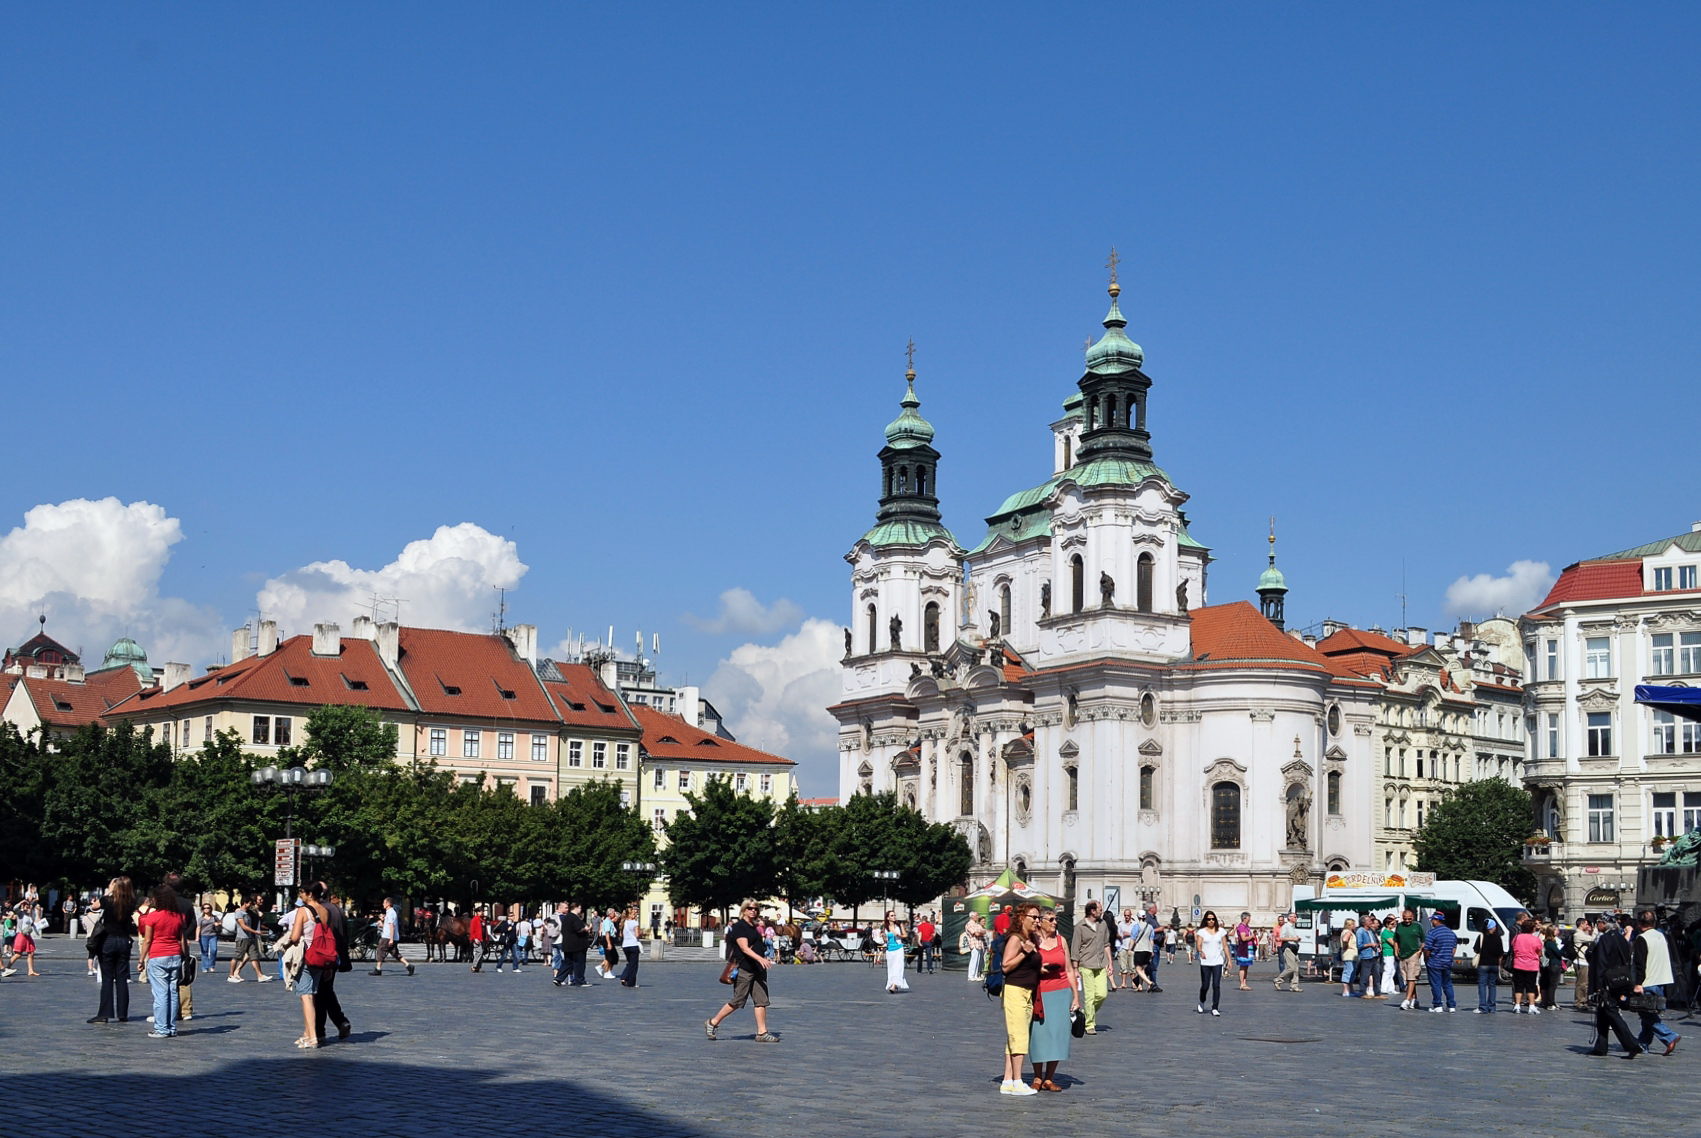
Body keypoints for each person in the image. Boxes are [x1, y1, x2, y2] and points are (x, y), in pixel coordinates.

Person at [705, 901, 777, 1043]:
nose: (753, 911)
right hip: (745, 968)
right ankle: (713, 1022)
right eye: (750, 908)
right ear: (744, 910)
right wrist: (760, 959)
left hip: (758, 969)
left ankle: (762, 1033)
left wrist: (763, 958)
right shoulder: (739, 927)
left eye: (755, 909)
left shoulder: (754, 927)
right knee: (738, 1001)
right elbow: (744, 948)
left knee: (761, 1001)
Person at [1028, 907, 1081, 1091]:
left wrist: (1075, 995)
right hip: (1040, 992)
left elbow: (1068, 970)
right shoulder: (1032, 941)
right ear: (1040, 921)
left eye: (1055, 919)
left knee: (1057, 1035)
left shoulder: (1061, 940)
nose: (1054, 922)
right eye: (1050, 919)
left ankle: (1049, 1078)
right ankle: (1037, 1076)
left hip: (1061, 992)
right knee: (1039, 1035)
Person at [997, 904, 1042, 1096]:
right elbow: (1005, 966)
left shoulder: (1029, 938)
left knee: (1014, 1037)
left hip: (1026, 991)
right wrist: (1024, 953)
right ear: (1022, 917)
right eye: (1034, 917)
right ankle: (1017, 1081)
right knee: (1020, 1036)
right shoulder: (1016, 939)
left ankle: (1007, 1080)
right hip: (1015, 990)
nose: (1037, 921)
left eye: (1039, 917)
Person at [1586, 914, 1643, 1059]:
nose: (1597, 925)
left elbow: (1601, 963)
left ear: (1605, 924)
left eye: (1599, 922)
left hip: (1607, 982)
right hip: (1620, 980)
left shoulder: (1605, 939)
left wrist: (1598, 986)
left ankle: (1632, 1044)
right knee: (1602, 1013)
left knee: (1611, 1012)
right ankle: (1601, 1046)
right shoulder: (1620, 938)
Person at [137, 882, 188, 1038]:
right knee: (172, 993)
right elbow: (182, 939)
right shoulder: (179, 916)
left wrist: (141, 960)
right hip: (175, 955)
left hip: (158, 955)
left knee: (160, 994)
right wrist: (184, 956)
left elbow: (147, 940)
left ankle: (161, 1028)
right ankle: (171, 1027)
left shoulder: (152, 917)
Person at [281, 885, 328, 1048]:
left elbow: (295, 936)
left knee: (305, 996)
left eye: (302, 892)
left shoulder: (303, 911)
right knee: (311, 995)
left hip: (306, 956)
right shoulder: (324, 910)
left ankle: (312, 1037)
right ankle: (307, 1033)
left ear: (309, 893)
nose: (300, 895)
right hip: (320, 957)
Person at [1632, 909, 1681, 1056]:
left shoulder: (1642, 938)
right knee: (1648, 1013)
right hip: (1661, 979)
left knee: (1647, 1014)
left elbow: (1640, 964)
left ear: (1640, 923)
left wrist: (1638, 983)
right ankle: (1642, 1044)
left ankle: (1669, 1036)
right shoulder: (1661, 936)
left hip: (1648, 981)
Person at [88, 877, 137, 1024]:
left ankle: (104, 1014)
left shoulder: (107, 900)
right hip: (124, 941)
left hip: (108, 940)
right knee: (122, 978)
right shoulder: (131, 902)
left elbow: (93, 907)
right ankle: (123, 1013)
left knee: (108, 978)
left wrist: (109, 891)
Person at [1071, 899, 1112, 1033]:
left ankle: (1086, 1012)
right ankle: (1089, 1024)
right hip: (1086, 964)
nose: (1102, 911)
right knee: (1089, 996)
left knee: (1102, 994)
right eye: (1099, 909)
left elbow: (1106, 944)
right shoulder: (1080, 927)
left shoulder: (1103, 924)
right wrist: (1075, 968)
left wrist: (1110, 962)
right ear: (1092, 911)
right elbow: (1075, 949)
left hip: (1101, 963)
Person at [227, 895, 272, 983]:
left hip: (250, 938)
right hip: (242, 938)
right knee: (237, 957)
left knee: (254, 957)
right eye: (249, 903)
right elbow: (243, 926)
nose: (251, 905)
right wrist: (256, 932)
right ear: (245, 903)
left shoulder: (248, 912)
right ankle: (231, 975)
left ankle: (260, 975)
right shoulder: (239, 912)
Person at [1194, 910, 1229, 1015]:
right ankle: (1202, 1001)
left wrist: (1229, 960)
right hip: (1205, 962)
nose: (1211, 921)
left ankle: (1215, 1007)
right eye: (1209, 919)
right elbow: (1199, 944)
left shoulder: (1221, 931)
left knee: (1216, 985)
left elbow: (1225, 946)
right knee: (1205, 985)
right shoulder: (1202, 932)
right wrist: (1200, 951)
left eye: (1213, 919)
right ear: (1206, 920)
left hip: (1217, 961)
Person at [1423, 912, 1458, 1012]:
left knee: (1436, 984)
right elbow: (1453, 948)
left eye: (1432, 920)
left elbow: (1427, 949)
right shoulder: (1451, 933)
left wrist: (1426, 959)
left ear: (1436, 920)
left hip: (1435, 962)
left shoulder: (1432, 933)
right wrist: (1449, 957)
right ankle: (1451, 1006)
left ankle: (1438, 1005)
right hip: (1447, 962)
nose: (1431, 922)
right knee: (1447, 984)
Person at [371, 896, 414, 977]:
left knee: (380, 950)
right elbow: (389, 925)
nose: (383, 904)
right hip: (391, 936)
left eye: (384, 902)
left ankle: (378, 969)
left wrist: (391, 939)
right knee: (395, 953)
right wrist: (382, 925)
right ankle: (408, 965)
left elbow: (392, 926)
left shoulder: (391, 913)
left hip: (387, 937)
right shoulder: (390, 912)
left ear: (388, 904)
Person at [1509, 917, 1543, 1014]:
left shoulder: (1517, 937)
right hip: (1531, 965)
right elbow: (1539, 952)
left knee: (1519, 986)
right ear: (1532, 929)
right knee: (1531, 986)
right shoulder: (1535, 939)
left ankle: (1517, 1005)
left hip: (1518, 964)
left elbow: (1513, 948)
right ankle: (1531, 1006)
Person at [1393, 908, 1426, 1010]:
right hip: (1402, 955)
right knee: (1407, 979)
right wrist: (1396, 951)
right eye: (1405, 919)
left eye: (1409, 919)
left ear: (1413, 918)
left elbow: (1423, 940)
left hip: (1413, 954)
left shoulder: (1417, 926)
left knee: (1411, 977)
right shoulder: (1399, 926)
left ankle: (1407, 1000)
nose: (1407, 921)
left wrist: (1420, 951)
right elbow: (1396, 940)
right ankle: (1414, 998)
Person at [555, 901, 591, 987]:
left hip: (567, 944)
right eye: (580, 908)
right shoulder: (574, 917)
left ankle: (558, 978)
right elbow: (578, 929)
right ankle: (580, 981)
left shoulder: (566, 917)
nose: (581, 910)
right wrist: (586, 928)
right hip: (577, 944)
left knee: (567, 962)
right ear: (576, 908)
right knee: (579, 963)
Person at [1473, 918, 1505, 1013]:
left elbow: (1476, 949)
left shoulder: (1481, 936)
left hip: (1483, 964)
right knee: (1492, 986)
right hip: (1494, 964)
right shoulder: (1498, 937)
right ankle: (1492, 1006)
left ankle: (1483, 1007)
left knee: (1482, 985)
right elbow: (1501, 952)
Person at [1571, 916, 1597, 1009]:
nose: (1587, 925)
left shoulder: (1581, 933)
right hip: (1581, 961)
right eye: (1586, 924)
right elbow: (1593, 939)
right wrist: (1595, 929)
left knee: (1584, 982)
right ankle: (1580, 1001)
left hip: (1583, 961)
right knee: (1582, 983)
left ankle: (1583, 1001)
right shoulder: (1578, 934)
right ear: (1581, 924)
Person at [881, 911, 909, 993]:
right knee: (892, 968)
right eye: (892, 915)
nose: (894, 917)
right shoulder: (885, 927)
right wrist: (883, 937)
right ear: (888, 918)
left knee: (898, 967)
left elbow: (905, 935)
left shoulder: (899, 925)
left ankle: (894, 985)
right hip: (890, 950)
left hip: (899, 949)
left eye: (894, 915)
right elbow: (886, 940)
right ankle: (894, 983)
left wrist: (898, 935)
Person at [1272, 912, 1301, 992]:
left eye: (1296, 917)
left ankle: (1294, 986)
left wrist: (1297, 939)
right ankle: (1278, 979)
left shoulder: (1293, 927)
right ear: (1290, 918)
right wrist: (1293, 939)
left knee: (1296, 969)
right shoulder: (1286, 926)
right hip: (1288, 948)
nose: (1296, 918)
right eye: (1295, 917)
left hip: (1294, 948)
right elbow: (1281, 938)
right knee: (1291, 967)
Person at [1355, 916, 1380, 998]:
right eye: (1369, 921)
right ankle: (1363, 992)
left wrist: (1377, 945)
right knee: (1365, 975)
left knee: (1376, 975)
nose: (1371, 922)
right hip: (1366, 956)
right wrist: (1370, 944)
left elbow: (1375, 940)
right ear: (1364, 922)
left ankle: (1377, 993)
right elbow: (1359, 945)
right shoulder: (1360, 931)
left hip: (1374, 955)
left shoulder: (1370, 931)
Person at [961, 911, 989, 983]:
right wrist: (981, 932)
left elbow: (983, 931)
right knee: (973, 960)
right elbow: (976, 933)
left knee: (977, 961)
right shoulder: (969, 924)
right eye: (976, 915)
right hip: (974, 943)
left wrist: (981, 932)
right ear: (972, 916)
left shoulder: (976, 924)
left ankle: (975, 975)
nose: (977, 916)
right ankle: (971, 976)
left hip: (979, 944)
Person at [1233, 911, 1257, 991]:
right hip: (1244, 948)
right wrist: (1252, 936)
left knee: (1246, 966)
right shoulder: (1241, 927)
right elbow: (1243, 938)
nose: (1250, 919)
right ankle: (1242, 984)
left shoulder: (1247, 926)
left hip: (1248, 947)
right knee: (1243, 966)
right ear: (1244, 918)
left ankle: (1245, 982)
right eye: (1249, 918)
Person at [619, 906, 642, 987]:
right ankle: (631, 982)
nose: (635, 914)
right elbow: (637, 935)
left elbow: (621, 934)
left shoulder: (623, 922)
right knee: (634, 965)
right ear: (631, 914)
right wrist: (640, 932)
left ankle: (624, 977)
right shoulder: (635, 923)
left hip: (625, 945)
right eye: (634, 913)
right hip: (633, 945)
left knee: (629, 963)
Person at [197, 903, 220, 976]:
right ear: (203, 910)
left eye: (208, 908)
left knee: (214, 950)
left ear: (211, 909)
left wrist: (218, 924)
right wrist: (197, 937)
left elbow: (220, 923)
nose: (206, 909)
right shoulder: (201, 918)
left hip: (213, 935)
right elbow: (198, 928)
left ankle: (212, 965)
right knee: (204, 951)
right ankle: (205, 967)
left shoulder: (214, 917)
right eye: (205, 908)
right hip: (203, 936)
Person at [1337, 919, 1357, 997]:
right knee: (1348, 971)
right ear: (1350, 925)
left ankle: (1351, 990)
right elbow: (1345, 939)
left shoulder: (1349, 932)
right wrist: (1346, 946)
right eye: (1354, 924)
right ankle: (1345, 991)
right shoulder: (1347, 932)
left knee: (1352, 972)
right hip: (1349, 954)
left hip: (1352, 955)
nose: (1355, 926)